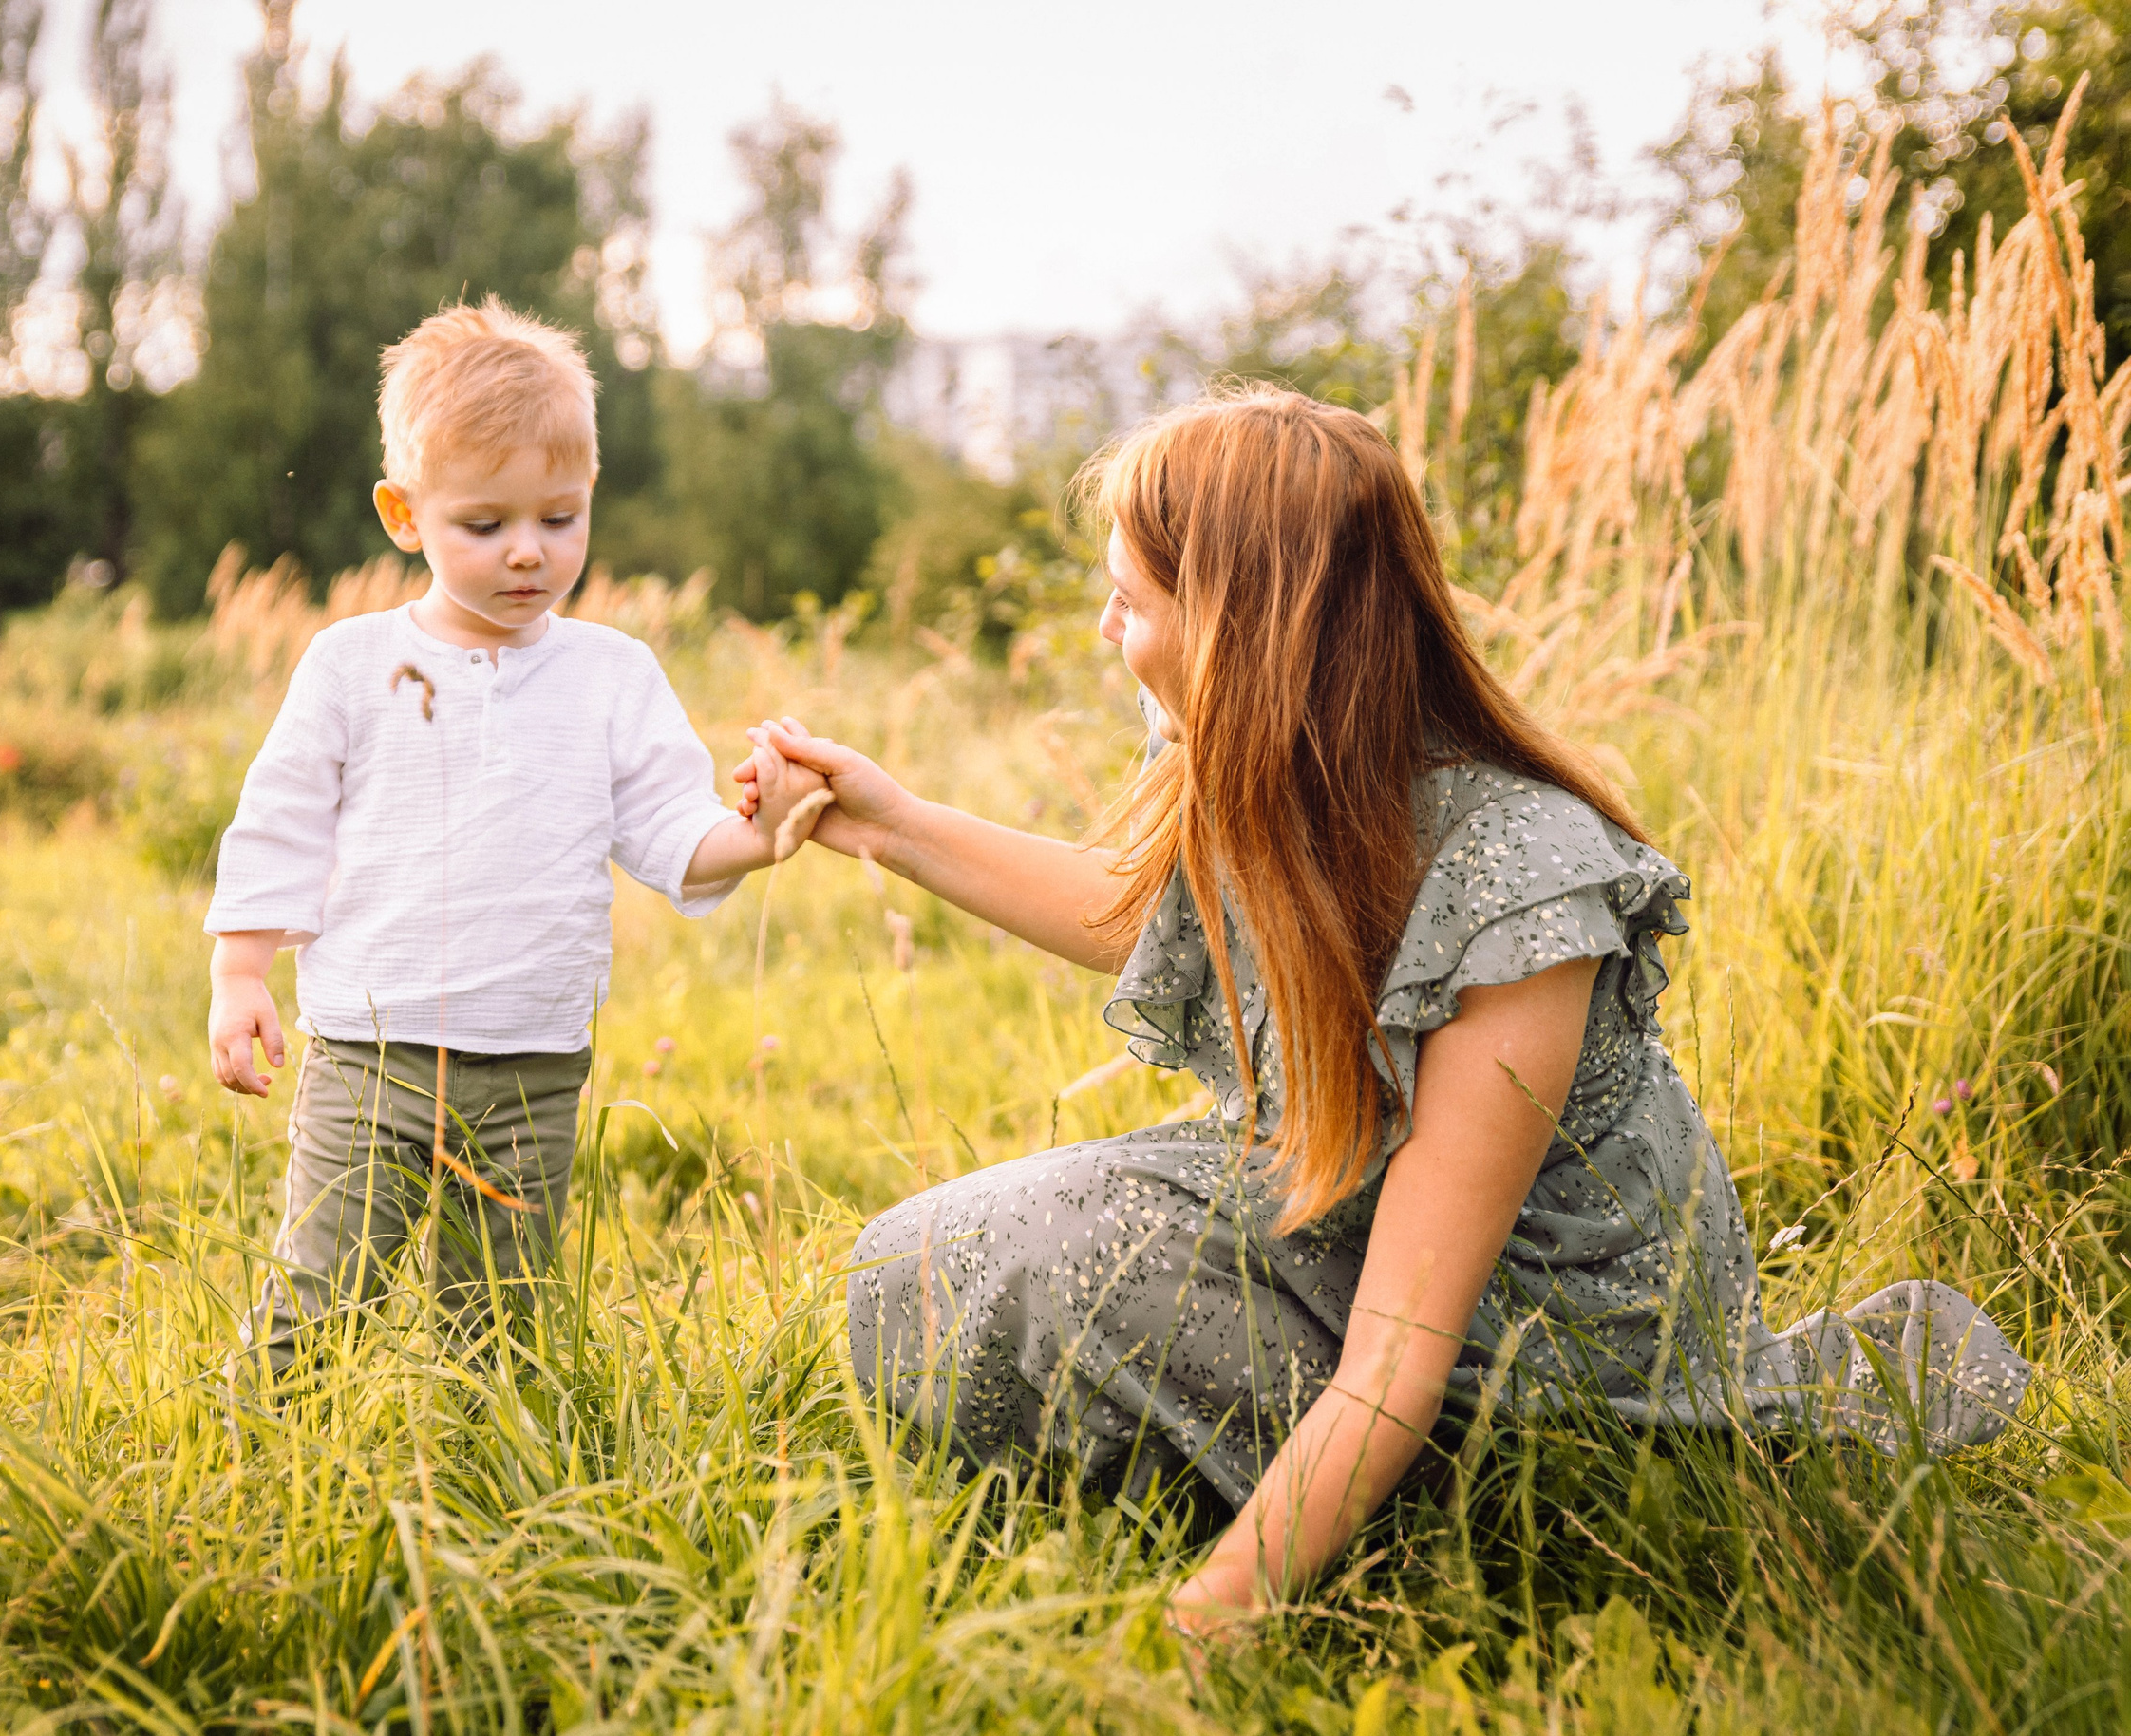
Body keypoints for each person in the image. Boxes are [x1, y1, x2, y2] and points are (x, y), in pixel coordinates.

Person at [740, 385, 2029, 1636]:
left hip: (1552, 1373)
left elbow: (1401, 1354)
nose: (1102, 629)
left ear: (1243, 624)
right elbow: (1146, 920)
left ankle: (1437, 1541)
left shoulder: (1521, 888)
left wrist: (1200, 1630)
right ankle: (1253, 1495)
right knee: (920, 1263)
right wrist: (889, 824)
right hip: (1363, 1237)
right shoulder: (1258, 764)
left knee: (1046, 1261)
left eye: (1129, 602)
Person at [205, 297, 827, 1378]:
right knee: (320, 1291)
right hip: (371, 1052)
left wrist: (762, 834)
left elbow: (670, 829)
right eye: (484, 526)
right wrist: (240, 969)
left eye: (560, 518)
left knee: (501, 1324)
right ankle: (260, 1452)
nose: (529, 553)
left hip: (534, 1064)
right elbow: (282, 817)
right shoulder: (352, 665)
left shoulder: (611, 674)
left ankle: (495, 1489)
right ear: (405, 515)